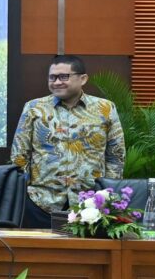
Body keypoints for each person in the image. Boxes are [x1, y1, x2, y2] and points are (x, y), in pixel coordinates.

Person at [11, 54, 125, 228]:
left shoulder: (105, 108)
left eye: (64, 77)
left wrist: (106, 196)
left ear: (83, 79)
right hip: (40, 202)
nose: (57, 82)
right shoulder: (34, 108)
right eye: (52, 77)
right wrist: (24, 194)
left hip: (90, 205)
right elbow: (20, 155)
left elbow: (115, 156)